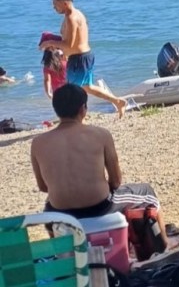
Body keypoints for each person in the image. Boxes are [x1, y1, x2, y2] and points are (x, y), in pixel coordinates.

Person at [31, 84, 170, 247]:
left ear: (56, 110)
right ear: (83, 108)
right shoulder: (100, 134)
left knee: (48, 208)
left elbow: (43, 187)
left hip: (61, 213)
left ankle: (63, 254)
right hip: (100, 207)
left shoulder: (38, 142)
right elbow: (116, 181)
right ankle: (164, 244)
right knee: (148, 193)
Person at [38, 0, 128, 117]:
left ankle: (77, 117)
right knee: (86, 87)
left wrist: (49, 42)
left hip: (79, 58)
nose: (54, 7)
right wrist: (58, 47)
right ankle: (117, 102)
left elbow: (69, 45)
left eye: (55, 4)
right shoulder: (75, 14)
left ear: (64, 3)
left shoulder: (71, 18)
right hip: (81, 56)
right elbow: (73, 41)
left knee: (74, 90)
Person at [39, 32, 67, 99]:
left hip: (57, 92)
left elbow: (47, 80)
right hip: (70, 87)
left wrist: (48, 92)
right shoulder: (66, 60)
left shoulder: (48, 66)